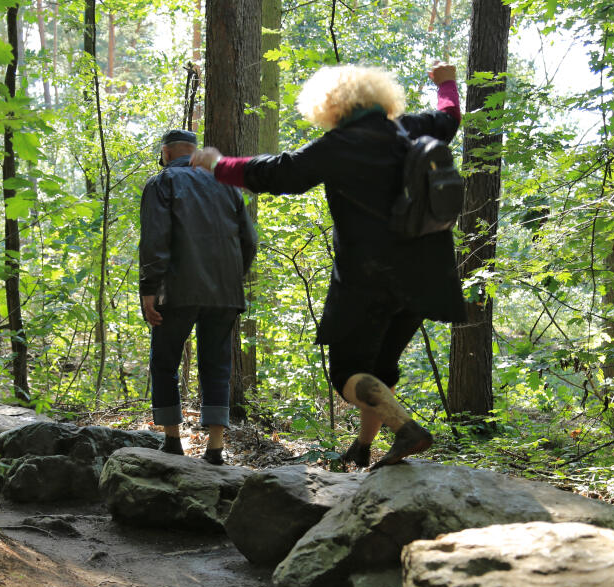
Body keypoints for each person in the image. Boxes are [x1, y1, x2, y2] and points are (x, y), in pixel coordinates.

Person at [190, 62, 466, 470]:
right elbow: (449, 116)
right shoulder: (413, 128)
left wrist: (216, 164)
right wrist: (446, 81)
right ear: (380, 98)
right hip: (427, 275)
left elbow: (274, 174)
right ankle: (365, 445)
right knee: (381, 369)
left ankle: (407, 429)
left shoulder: (338, 146)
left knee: (348, 374)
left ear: (329, 105)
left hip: (367, 278)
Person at [140, 129, 258, 464]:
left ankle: (173, 442)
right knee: (217, 363)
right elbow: (249, 242)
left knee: (165, 361)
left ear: (166, 153)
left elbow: (155, 242)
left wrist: (149, 289)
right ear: (194, 153)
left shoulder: (162, 183)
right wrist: (232, 277)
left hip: (175, 291)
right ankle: (215, 448)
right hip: (224, 293)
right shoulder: (228, 186)